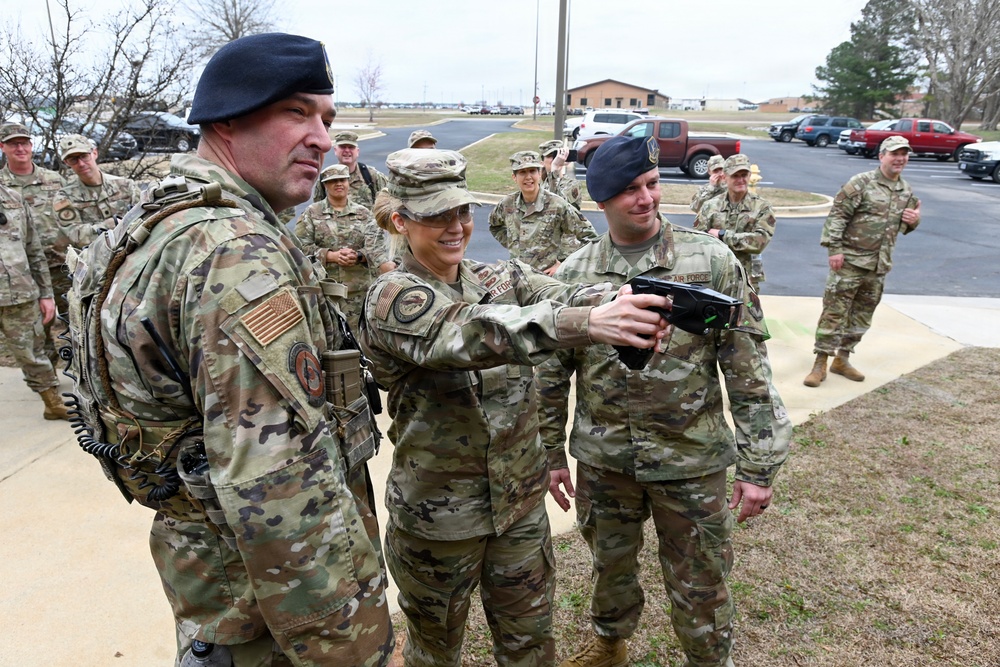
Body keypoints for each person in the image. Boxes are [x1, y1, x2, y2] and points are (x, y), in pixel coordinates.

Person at [63, 33, 393, 666]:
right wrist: (353, 649)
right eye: (296, 112)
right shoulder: (235, 254)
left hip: (218, 596)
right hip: (271, 619)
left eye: (326, 119)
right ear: (226, 119)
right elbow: (277, 490)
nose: (324, 140)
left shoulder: (160, 219)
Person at [359, 148, 672, 667]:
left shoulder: (497, 276)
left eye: (462, 211)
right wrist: (589, 324)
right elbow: (469, 335)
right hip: (441, 517)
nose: (456, 226)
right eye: (437, 215)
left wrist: (635, 295)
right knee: (435, 652)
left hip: (519, 507)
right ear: (400, 220)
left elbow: (565, 292)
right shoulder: (394, 296)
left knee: (529, 644)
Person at [536, 136, 791, 667]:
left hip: (692, 460)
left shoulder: (711, 260)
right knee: (609, 564)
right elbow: (551, 374)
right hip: (606, 461)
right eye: (630, 190)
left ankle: (707, 659)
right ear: (601, 200)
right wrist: (551, 455)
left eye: (652, 185)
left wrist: (760, 465)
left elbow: (746, 366)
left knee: (701, 576)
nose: (647, 199)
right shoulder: (576, 275)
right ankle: (609, 644)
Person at [803, 134, 921, 387]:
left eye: (904, 154)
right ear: (882, 156)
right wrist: (834, 249)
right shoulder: (861, 183)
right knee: (834, 314)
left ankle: (842, 359)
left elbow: (904, 224)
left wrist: (914, 221)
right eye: (894, 154)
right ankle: (820, 363)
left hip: (878, 266)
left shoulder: (905, 190)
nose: (900, 159)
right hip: (850, 263)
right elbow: (837, 216)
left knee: (861, 316)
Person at [295, 163, 394, 331]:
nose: (338, 184)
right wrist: (329, 256)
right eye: (333, 181)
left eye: (342, 180)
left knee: (360, 337)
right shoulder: (311, 213)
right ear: (325, 185)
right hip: (325, 291)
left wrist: (358, 256)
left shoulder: (364, 213)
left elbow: (377, 248)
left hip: (358, 291)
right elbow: (299, 248)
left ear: (348, 183)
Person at [0, 182, 69, 420]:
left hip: (20, 294)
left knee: (32, 353)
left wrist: (46, 293)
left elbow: (34, 250)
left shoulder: (13, 198)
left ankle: (52, 404)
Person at [0, 122, 68, 366]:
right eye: (13, 143)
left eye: (24, 142)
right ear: (2, 147)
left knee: (75, 323)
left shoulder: (54, 180)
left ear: (31, 145)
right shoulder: (2, 186)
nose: (20, 148)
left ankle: (80, 373)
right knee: (39, 332)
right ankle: (51, 379)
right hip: (24, 274)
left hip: (61, 265)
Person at [488, 150, 597, 275]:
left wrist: (565, 264)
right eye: (522, 172)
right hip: (517, 278)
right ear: (514, 177)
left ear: (539, 174)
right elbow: (494, 226)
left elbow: (590, 238)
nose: (528, 177)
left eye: (532, 171)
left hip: (547, 281)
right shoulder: (507, 204)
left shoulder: (557, 204)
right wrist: (515, 245)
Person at [693, 153, 776, 291]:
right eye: (735, 176)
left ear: (749, 176)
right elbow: (698, 240)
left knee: (746, 312)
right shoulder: (710, 206)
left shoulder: (762, 207)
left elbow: (759, 242)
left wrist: (722, 235)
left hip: (747, 278)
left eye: (744, 175)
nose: (741, 180)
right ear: (725, 177)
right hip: (715, 277)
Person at [50, 134, 142, 249]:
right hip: (94, 259)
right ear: (66, 163)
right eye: (73, 160)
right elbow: (76, 236)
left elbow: (145, 219)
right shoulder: (64, 198)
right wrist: (110, 225)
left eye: (84, 156)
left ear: (94, 153)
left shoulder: (126, 186)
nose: (81, 164)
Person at [315, 130, 388, 209]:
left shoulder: (371, 175)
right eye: (343, 147)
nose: (347, 150)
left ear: (357, 151)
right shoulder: (326, 177)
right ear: (335, 150)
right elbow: (317, 209)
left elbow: (388, 204)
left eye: (351, 147)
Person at [538, 139, 582, 209]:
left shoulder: (572, 184)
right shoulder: (539, 185)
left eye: (557, 155)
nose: (555, 159)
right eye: (550, 156)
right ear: (542, 163)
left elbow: (558, 207)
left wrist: (555, 170)